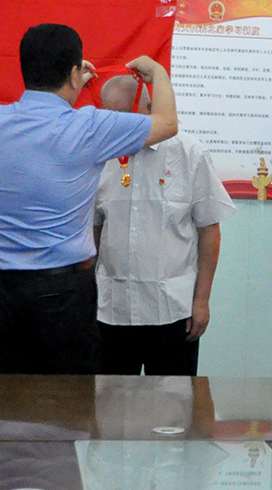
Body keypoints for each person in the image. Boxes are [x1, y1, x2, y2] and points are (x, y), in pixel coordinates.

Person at [0, 24, 177, 374]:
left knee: (11, 387)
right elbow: (166, 123)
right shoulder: (89, 127)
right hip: (62, 291)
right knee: (69, 395)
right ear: (73, 74)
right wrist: (158, 72)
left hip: (2, 288)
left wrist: (70, 84)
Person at [93, 75, 236, 375]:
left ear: (149, 109)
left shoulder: (189, 153)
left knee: (175, 402)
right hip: (112, 311)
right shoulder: (98, 154)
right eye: (110, 117)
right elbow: (94, 228)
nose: (118, 127)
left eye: (125, 116)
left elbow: (209, 231)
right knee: (110, 401)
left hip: (173, 312)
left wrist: (202, 301)